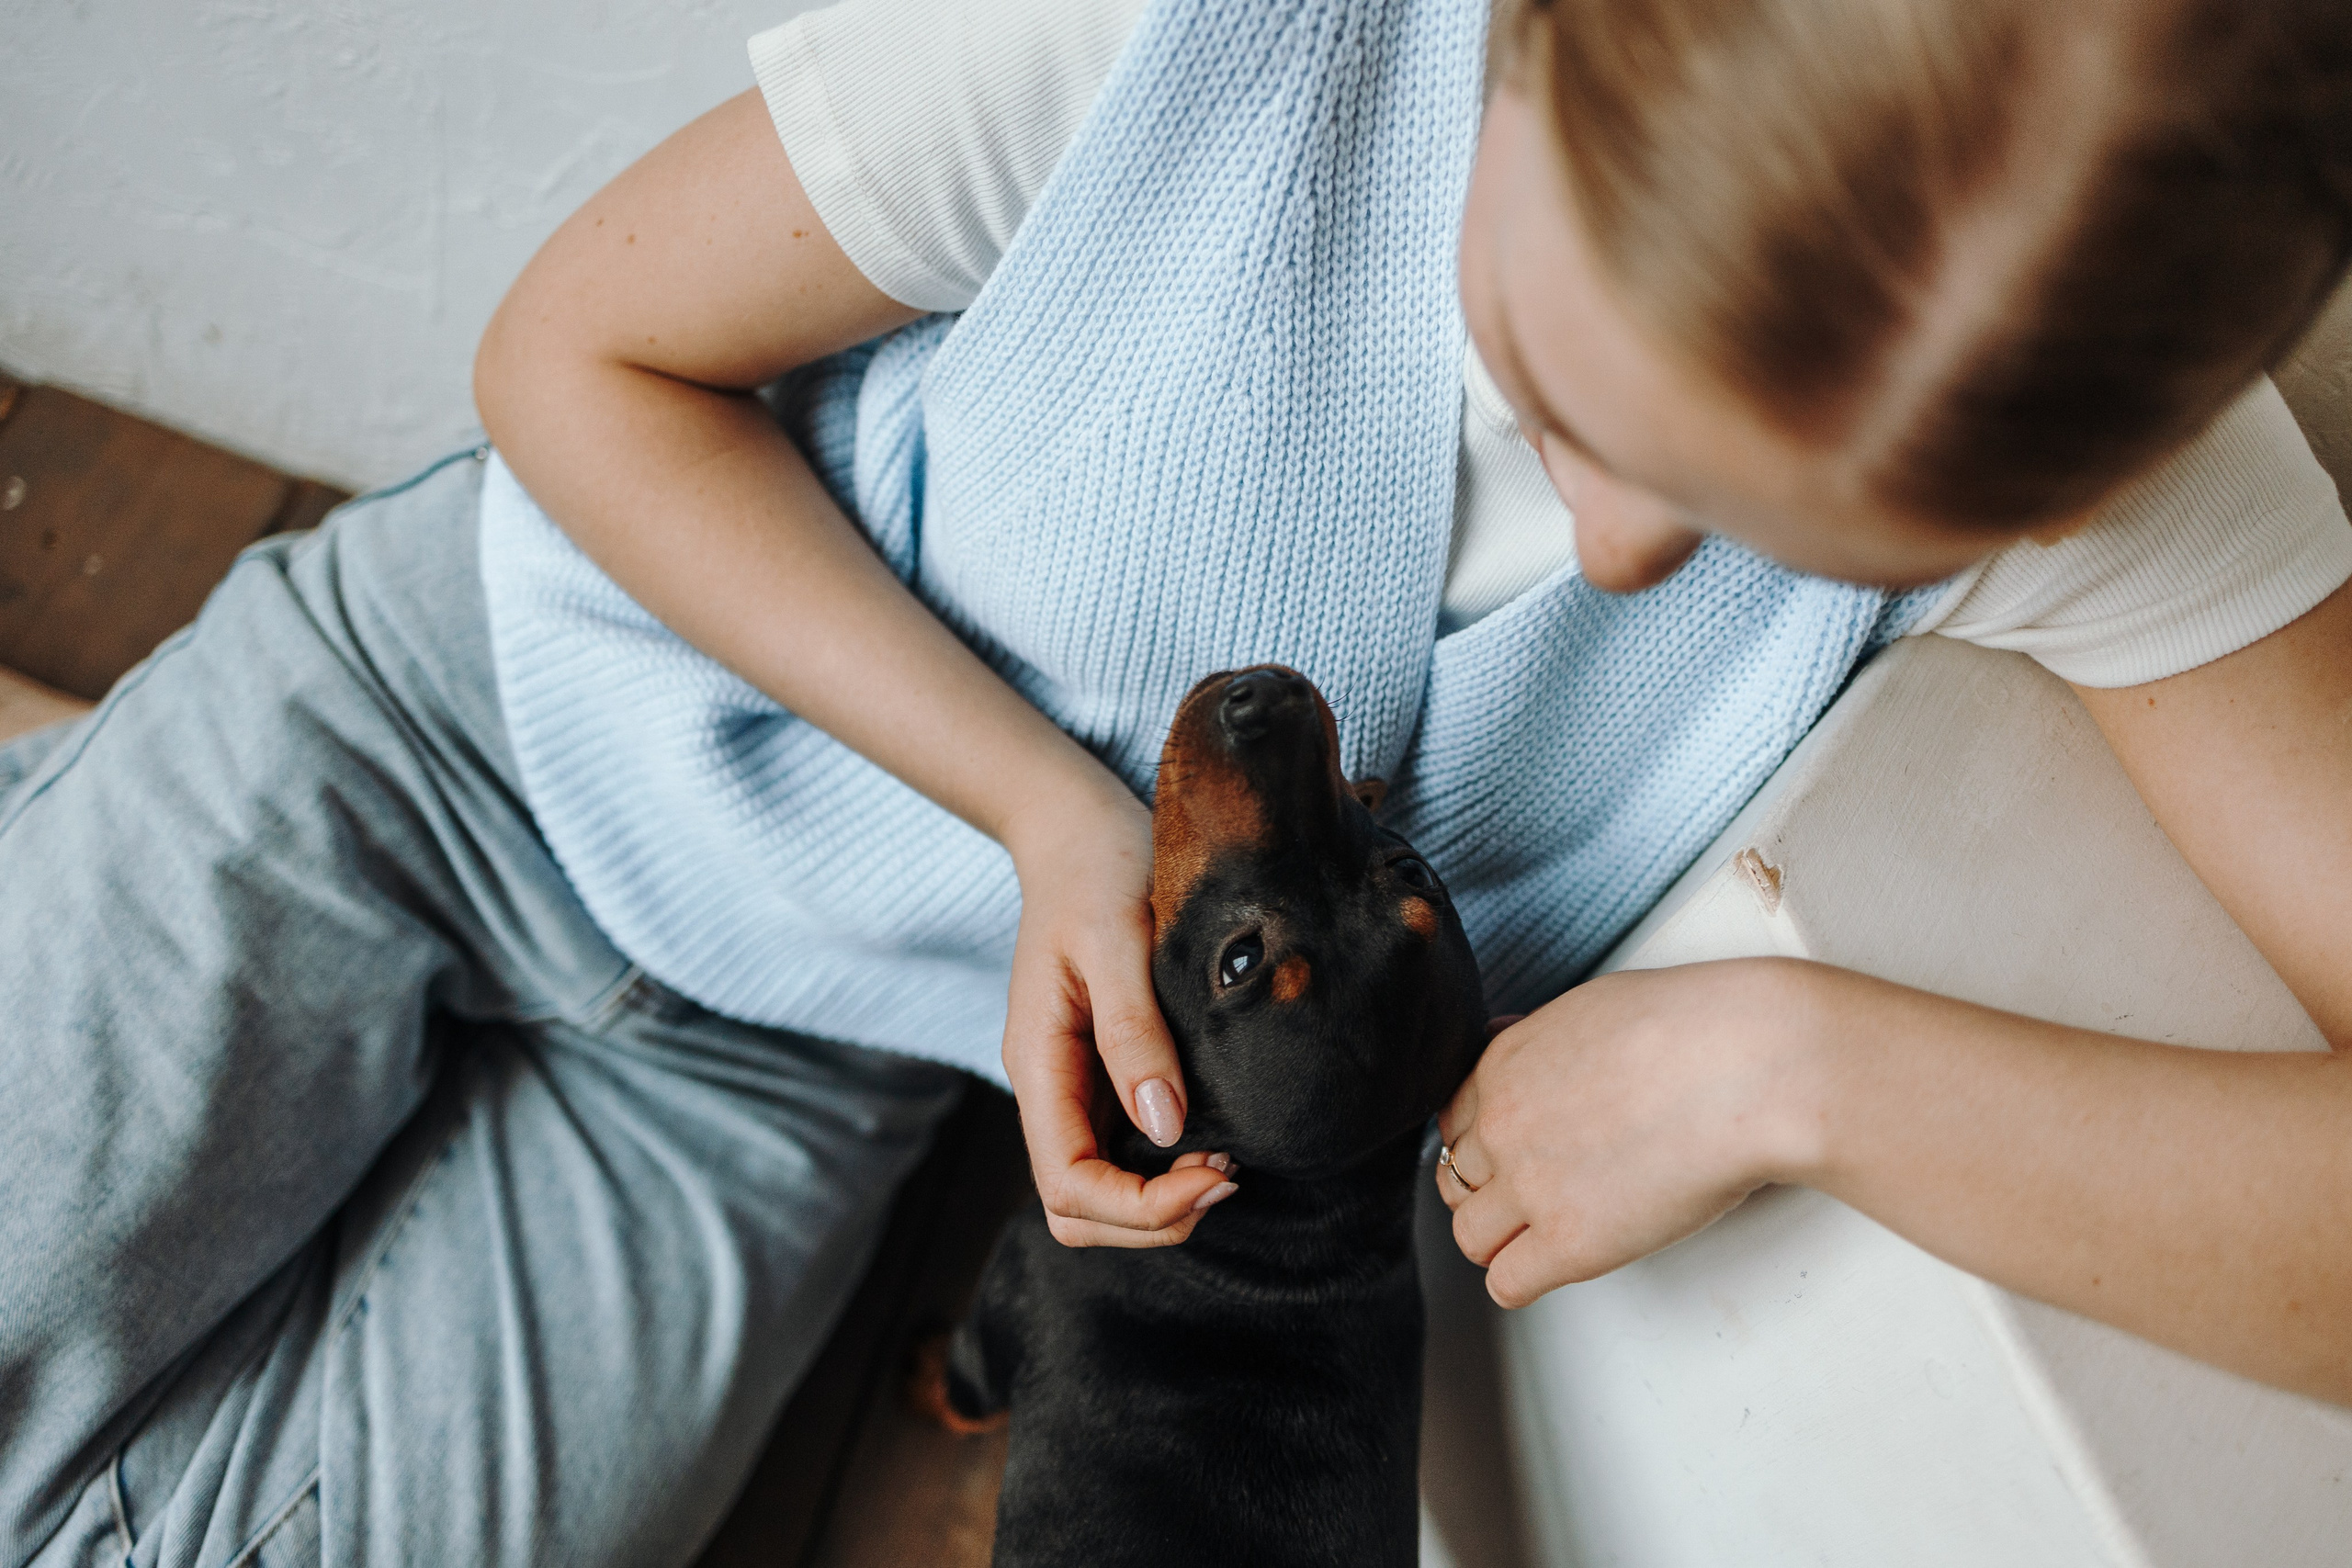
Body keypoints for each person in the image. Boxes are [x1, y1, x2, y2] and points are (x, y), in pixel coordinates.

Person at [3, 0, 2346, 1562]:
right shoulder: (1198, 36)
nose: (1627, 555)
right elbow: (574, 361)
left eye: (1792, 543)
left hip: (783, 1084)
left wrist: (1796, 1063)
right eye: (1556, 391)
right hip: (454, 731)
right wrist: (1034, 804)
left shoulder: (2100, 450)